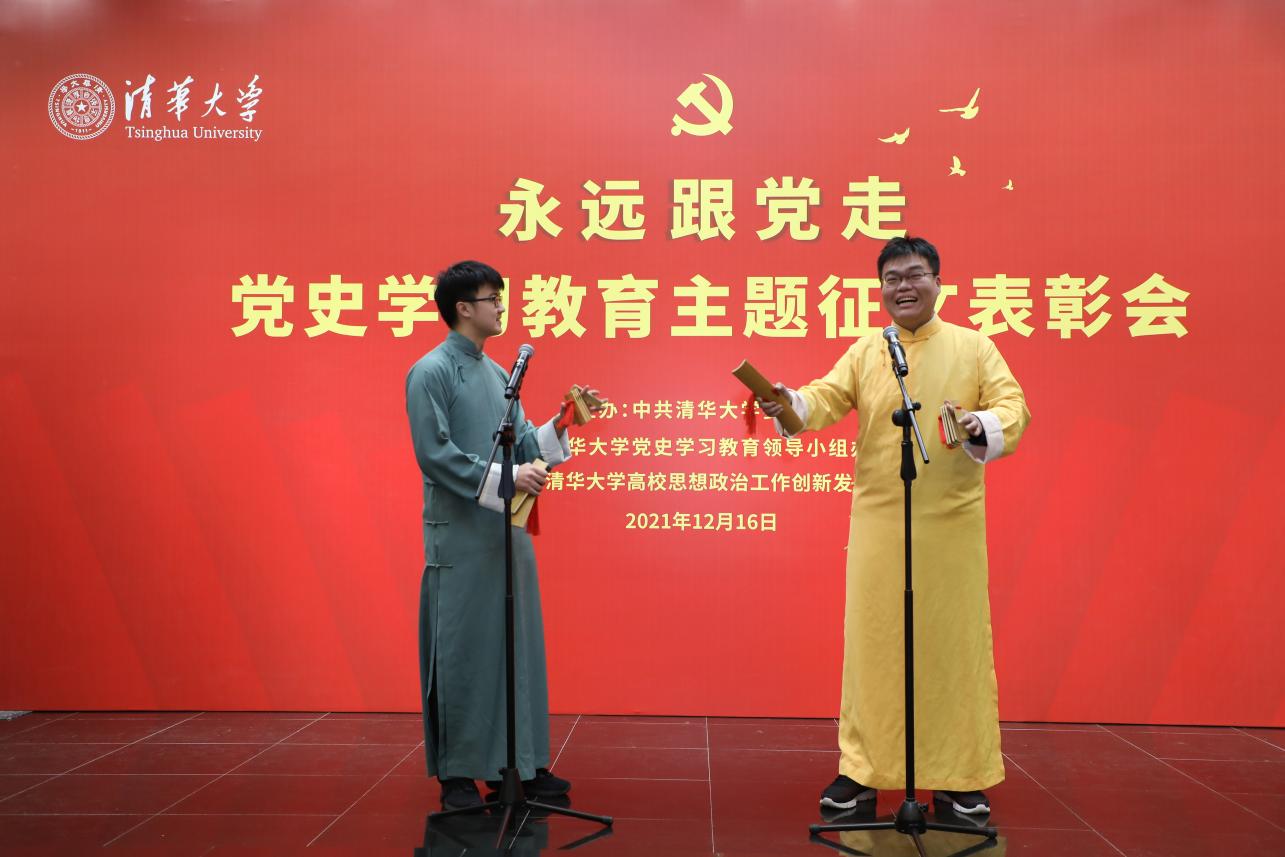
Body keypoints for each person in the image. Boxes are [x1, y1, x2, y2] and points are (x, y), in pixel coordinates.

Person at [759, 236, 1030, 816]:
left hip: (950, 525)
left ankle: (959, 774)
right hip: (879, 524)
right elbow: (823, 400)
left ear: (938, 282)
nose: (903, 287)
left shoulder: (974, 347)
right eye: (892, 278)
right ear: (881, 289)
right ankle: (862, 770)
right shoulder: (867, 350)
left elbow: (1013, 408)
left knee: (952, 647)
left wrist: (980, 422)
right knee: (875, 646)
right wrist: (787, 402)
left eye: (914, 275)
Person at [405, 260, 600, 810]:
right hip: (461, 540)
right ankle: (458, 774)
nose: (501, 307)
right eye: (492, 298)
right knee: (464, 652)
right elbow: (435, 454)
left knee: (515, 649)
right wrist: (507, 479)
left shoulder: (497, 373)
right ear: (463, 307)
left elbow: (521, 448)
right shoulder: (431, 372)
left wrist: (562, 422)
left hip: (506, 534)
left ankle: (519, 764)